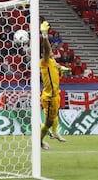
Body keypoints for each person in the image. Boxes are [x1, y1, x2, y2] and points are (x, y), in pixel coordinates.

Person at [39, 21, 66, 150]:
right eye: (50, 52)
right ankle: (39, 141)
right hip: (49, 97)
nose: (52, 52)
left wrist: (63, 68)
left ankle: (55, 132)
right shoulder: (44, 61)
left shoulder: (53, 61)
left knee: (55, 116)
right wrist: (45, 35)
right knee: (48, 122)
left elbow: (57, 66)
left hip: (56, 94)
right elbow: (46, 49)